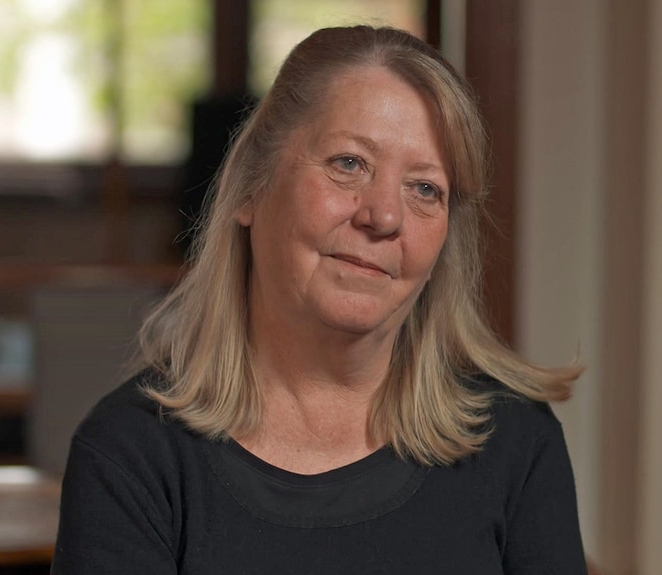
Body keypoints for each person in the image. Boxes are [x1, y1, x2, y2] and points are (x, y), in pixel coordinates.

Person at [52, 25, 587, 574]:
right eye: (349, 163)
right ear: (250, 189)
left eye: (425, 188)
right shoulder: (131, 454)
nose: (383, 215)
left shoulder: (515, 442)